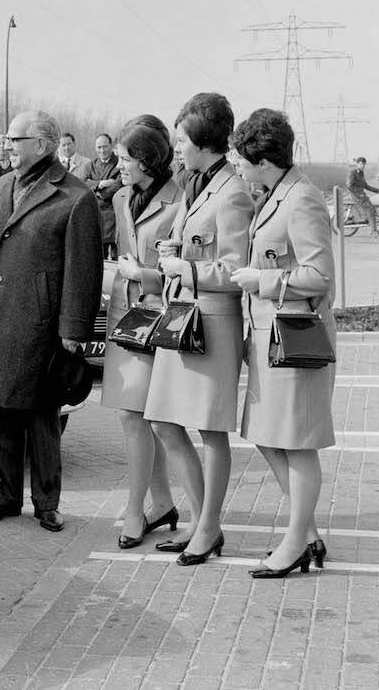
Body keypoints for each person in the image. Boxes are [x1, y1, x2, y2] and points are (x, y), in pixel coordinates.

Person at [0, 110, 103, 533]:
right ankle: (6, 496)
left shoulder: (75, 196)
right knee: (1, 410)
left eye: (14, 139)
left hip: (42, 324)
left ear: (41, 146)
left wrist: (72, 331)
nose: (6, 145)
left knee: (43, 415)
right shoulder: (4, 184)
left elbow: (84, 271)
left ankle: (47, 502)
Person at [142, 93, 252, 566]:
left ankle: (207, 527)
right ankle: (202, 520)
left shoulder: (232, 193)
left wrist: (184, 268)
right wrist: (176, 246)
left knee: (210, 430)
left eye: (182, 139)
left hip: (211, 322)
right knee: (162, 420)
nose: (177, 148)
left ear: (205, 144)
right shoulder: (198, 183)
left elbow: (235, 270)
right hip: (183, 317)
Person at [230, 109, 336, 578]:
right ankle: (307, 534)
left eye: (242, 159)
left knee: (297, 444)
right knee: (271, 439)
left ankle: (295, 544)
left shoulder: (301, 200)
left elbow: (319, 276)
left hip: (295, 341)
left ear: (264, 161)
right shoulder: (278, 192)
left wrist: (262, 279)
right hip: (271, 340)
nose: (238, 167)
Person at [100, 115, 182, 548]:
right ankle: (162, 502)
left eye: (125, 159)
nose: (118, 168)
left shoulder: (180, 201)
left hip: (158, 317)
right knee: (134, 416)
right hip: (123, 317)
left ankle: (135, 511)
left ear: (147, 161)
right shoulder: (119, 199)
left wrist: (145, 274)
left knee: (140, 417)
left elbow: (181, 270)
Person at [89, 134, 123, 259]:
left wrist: (98, 193)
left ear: (111, 146)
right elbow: (82, 183)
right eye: (99, 147)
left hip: (115, 214)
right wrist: (100, 184)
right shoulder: (91, 165)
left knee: (117, 255)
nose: (102, 151)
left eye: (105, 147)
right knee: (98, 257)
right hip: (97, 216)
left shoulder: (119, 163)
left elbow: (119, 184)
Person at [345, 156, 379, 237]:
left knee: (372, 207)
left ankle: (371, 225)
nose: (362, 166)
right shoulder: (353, 173)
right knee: (371, 209)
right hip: (356, 196)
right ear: (357, 164)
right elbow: (349, 186)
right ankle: (374, 231)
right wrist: (358, 194)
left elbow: (365, 186)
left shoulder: (361, 173)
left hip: (361, 195)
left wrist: (378, 191)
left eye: (363, 164)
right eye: (360, 164)